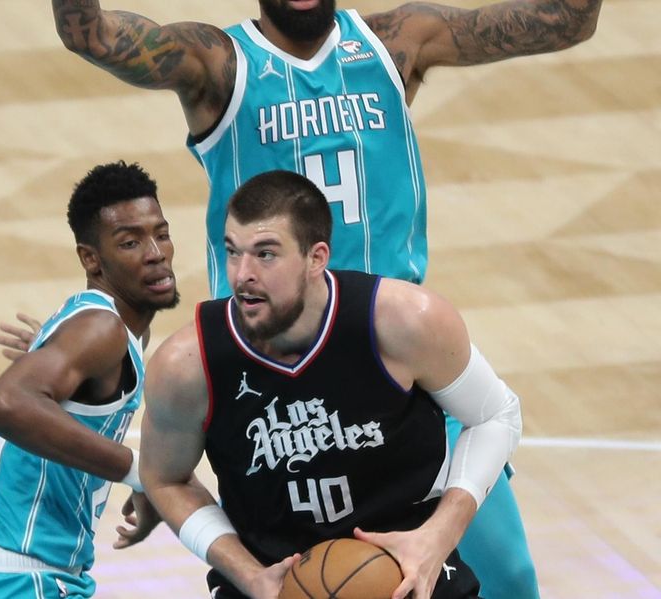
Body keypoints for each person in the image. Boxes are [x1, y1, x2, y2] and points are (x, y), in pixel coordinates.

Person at [32, 2, 602, 595]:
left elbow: (568, 21)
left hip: (397, 360)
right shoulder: (220, 66)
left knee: (509, 578)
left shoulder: (395, 43)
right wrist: (164, 476)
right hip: (277, 380)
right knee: (292, 580)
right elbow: (91, 35)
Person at [136, 170, 523, 599]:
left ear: (316, 257)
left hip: (412, 576)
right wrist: (246, 574)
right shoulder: (188, 364)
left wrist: (437, 536)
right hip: (273, 582)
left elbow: (497, 415)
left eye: (265, 254)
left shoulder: (403, 322)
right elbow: (164, 478)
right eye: (232, 251)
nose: (242, 274)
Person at [0, 161, 181, 598]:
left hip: (6, 575)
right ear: (92, 259)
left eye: (160, 233)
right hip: (20, 580)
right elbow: (5, 404)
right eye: (131, 242)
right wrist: (140, 472)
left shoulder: (109, 329)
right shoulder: (100, 330)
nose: (155, 252)